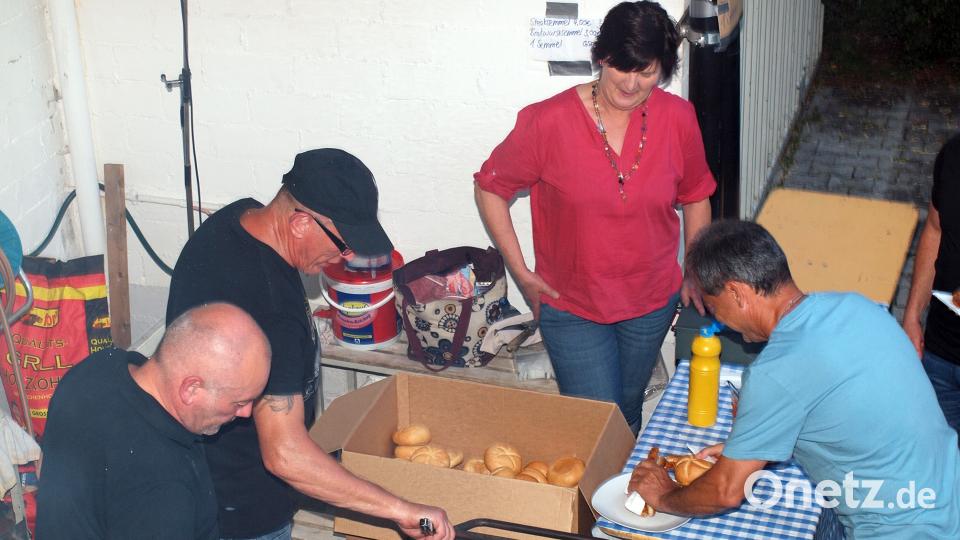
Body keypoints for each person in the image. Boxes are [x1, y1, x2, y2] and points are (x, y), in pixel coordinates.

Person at [165, 148, 453, 540]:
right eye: (343, 243)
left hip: (197, 480)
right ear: (300, 222)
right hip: (244, 507)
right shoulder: (269, 307)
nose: (346, 256)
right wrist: (403, 511)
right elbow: (284, 453)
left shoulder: (233, 220)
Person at [629, 220, 960, 538]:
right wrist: (756, 445)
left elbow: (726, 491)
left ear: (737, 293)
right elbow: (844, 409)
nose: (722, 321)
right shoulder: (856, 307)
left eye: (715, 307)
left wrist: (665, 495)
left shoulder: (777, 370)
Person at [473, 1, 715, 434]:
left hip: (651, 301)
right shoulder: (547, 122)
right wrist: (521, 272)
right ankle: (597, 498)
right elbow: (491, 186)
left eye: (646, 71)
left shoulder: (678, 119)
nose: (631, 82)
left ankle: (621, 500)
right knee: (595, 425)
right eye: (622, 67)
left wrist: (695, 270)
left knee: (625, 410)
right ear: (601, 57)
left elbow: (697, 196)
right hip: (573, 306)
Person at [36, 303, 272, 539]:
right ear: (191, 389)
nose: (247, 413)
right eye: (239, 402)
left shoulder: (97, 368)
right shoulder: (163, 490)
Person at [903, 132, 960, 438]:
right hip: (938, 355)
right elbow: (935, 230)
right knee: (938, 459)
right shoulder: (952, 154)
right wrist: (912, 314)